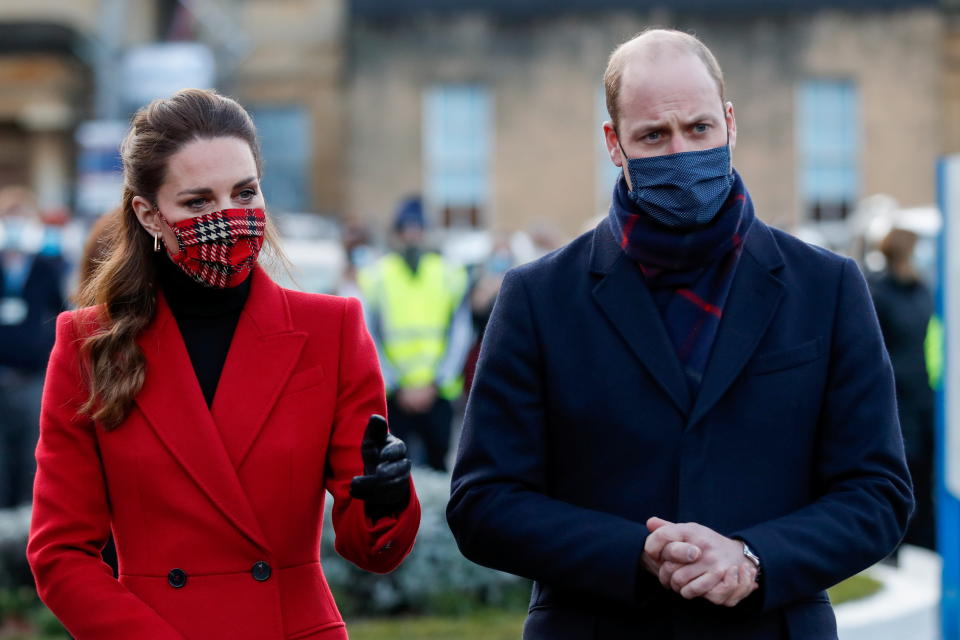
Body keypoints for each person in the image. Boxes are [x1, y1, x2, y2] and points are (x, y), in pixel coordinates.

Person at [447, 29, 912, 639]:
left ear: (730, 124)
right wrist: (636, 553)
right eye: (653, 135)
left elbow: (877, 493)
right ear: (614, 143)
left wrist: (754, 558)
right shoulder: (538, 297)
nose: (680, 153)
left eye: (698, 129)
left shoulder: (827, 287)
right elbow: (484, 503)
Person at [27, 89, 420, 640]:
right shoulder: (90, 343)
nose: (229, 218)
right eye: (198, 202)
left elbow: (370, 549)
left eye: (245, 193)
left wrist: (386, 500)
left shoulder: (331, 330)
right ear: (149, 214)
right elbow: (60, 553)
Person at [358, 197, 471, 471]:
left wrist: (436, 381)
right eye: (405, 229)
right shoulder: (376, 275)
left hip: (438, 392)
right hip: (395, 396)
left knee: (439, 467)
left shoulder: (449, 273)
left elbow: (460, 332)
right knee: (392, 472)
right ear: (396, 233)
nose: (412, 235)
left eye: (418, 228)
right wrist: (397, 384)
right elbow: (367, 335)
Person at [870, 227, 936, 551]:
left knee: (926, 476)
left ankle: (924, 542)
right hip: (895, 400)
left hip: (925, 397)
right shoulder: (878, 292)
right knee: (902, 473)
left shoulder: (923, 290)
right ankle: (895, 544)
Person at [0, 186, 66, 508]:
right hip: (3, 372)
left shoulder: (44, 264)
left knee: (31, 453)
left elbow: (60, 309)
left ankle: (27, 526)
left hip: (31, 377)